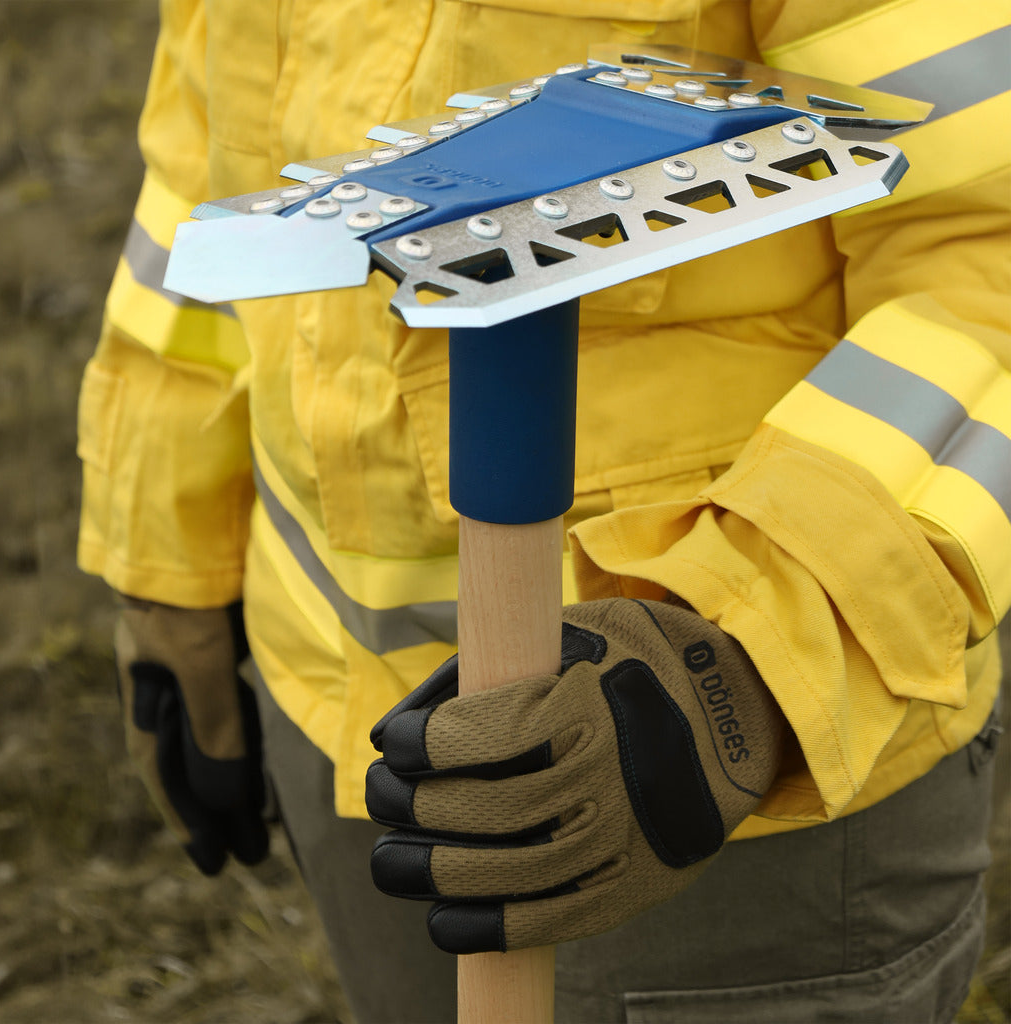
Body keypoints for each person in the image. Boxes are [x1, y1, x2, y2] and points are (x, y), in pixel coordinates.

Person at [77, 1, 1009, 1020]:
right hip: (347, 741)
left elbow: (984, 254)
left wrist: (745, 656)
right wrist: (167, 556)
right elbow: (208, 174)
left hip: (723, 797)